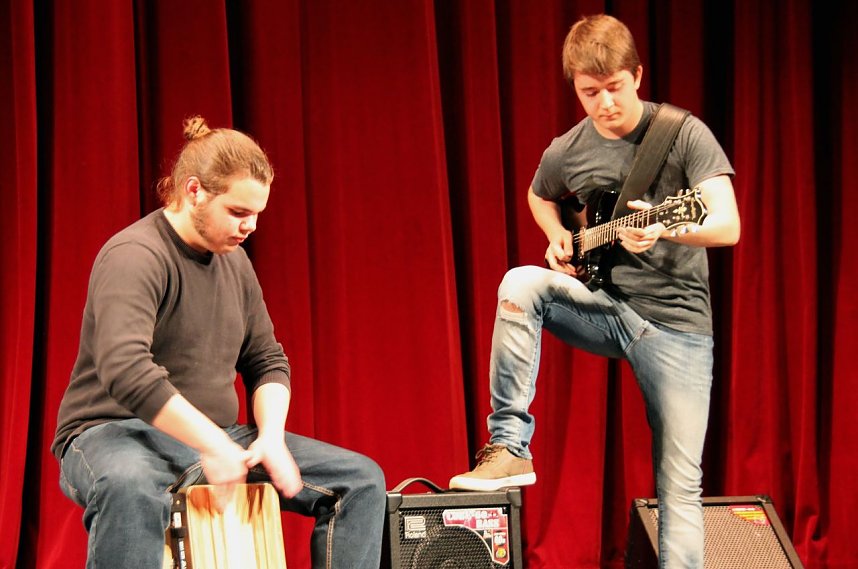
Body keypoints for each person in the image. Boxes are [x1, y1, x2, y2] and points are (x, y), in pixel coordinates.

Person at [449, 14, 740, 568]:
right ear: (576, 89)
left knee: (679, 483)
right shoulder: (569, 148)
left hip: (677, 324)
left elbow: (728, 224)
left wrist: (665, 226)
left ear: (636, 75)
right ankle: (510, 445)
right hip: (606, 308)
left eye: (614, 88)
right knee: (521, 283)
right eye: (590, 92)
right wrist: (558, 233)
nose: (604, 103)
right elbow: (540, 194)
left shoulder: (682, 133)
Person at [52, 116, 386, 569]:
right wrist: (212, 443)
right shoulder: (134, 256)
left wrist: (269, 438)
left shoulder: (236, 264)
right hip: (113, 433)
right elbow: (126, 371)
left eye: (256, 215)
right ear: (193, 191)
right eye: (237, 212)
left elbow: (266, 360)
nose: (249, 227)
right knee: (128, 485)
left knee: (361, 481)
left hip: (217, 437)